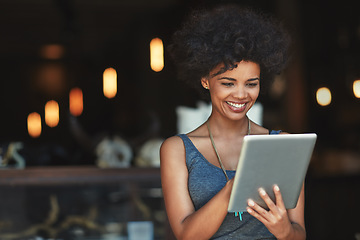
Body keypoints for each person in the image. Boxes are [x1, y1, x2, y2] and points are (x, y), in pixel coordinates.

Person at [160, 4, 306, 240]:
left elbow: (299, 233)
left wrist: (285, 231)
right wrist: (232, 190)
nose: (241, 95)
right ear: (206, 80)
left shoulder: (282, 145)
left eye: (251, 83)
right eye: (228, 83)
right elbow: (186, 235)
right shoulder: (177, 150)